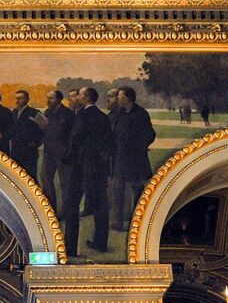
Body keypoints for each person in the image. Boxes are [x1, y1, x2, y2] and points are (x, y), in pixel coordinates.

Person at [64, 87, 112, 257]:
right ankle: (101, 243)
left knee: (71, 205)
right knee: (100, 205)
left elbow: (75, 140)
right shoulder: (103, 117)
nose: (77, 97)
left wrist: (66, 157)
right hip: (98, 167)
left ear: (86, 98)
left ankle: (70, 248)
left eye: (80, 95)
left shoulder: (82, 116)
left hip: (80, 166)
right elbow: (109, 143)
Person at [110, 86, 155, 232]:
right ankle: (118, 221)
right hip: (120, 159)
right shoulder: (118, 113)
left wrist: (140, 147)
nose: (117, 99)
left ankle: (136, 221)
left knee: (137, 190)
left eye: (120, 96)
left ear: (128, 98)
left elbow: (150, 135)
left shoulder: (141, 114)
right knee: (118, 191)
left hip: (135, 160)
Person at [40, 90, 73, 213]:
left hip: (63, 153)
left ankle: (66, 211)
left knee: (65, 183)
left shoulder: (68, 114)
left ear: (59, 99)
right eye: (47, 98)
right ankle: (50, 209)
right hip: (49, 152)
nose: (48, 101)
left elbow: (72, 135)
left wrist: (67, 151)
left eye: (51, 98)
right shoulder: (47, 112)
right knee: (46, 179)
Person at [10, 89, 44, 182]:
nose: (17, 101)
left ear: (27, 100)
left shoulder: (34, 113)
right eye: (16, 99)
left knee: (31, 179)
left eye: (20, 98)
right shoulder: (14, 113)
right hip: (16, 151)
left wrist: (34, 143)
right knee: (17, 178)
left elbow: (44, 129)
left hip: (29, 152)